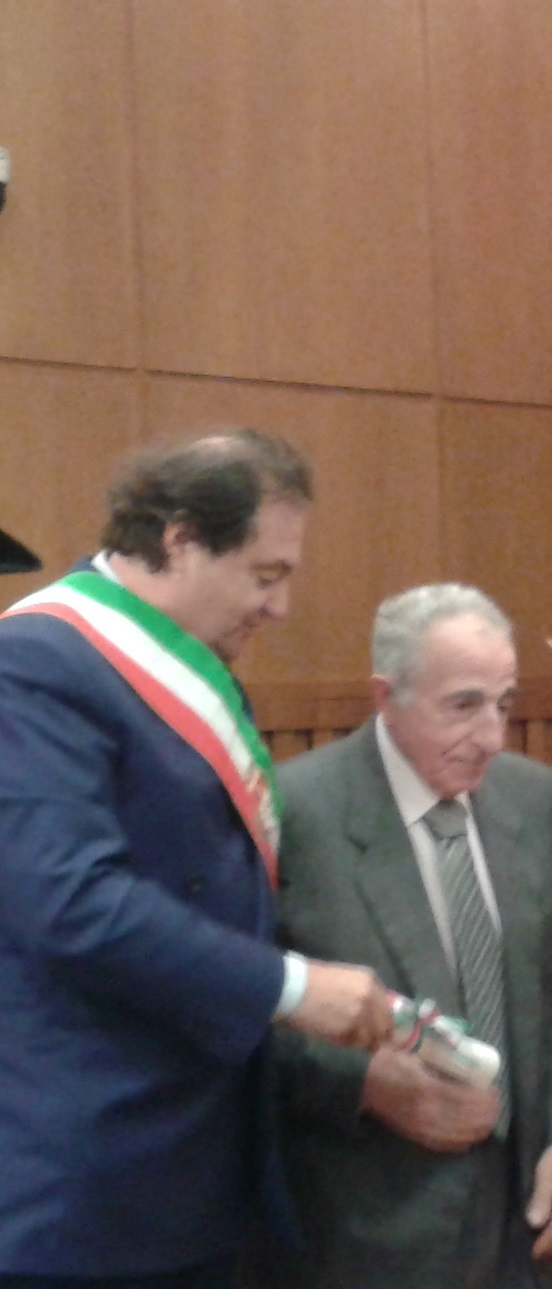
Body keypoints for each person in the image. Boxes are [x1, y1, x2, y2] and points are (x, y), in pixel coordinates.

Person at [0, 429, 393, 1288]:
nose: (280, 606)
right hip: (94, 1179)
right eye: (265, 573)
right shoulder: (32, 663)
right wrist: (293, 988)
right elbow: (72, 902)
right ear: (180, 538)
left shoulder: (196, 668)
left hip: (198, 1155)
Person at [250, 583, 552, 1289]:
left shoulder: (529, 796)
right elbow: (241, 1011)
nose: (492, 736)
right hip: (363, 1226)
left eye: (504, 704)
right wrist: (365, 1086)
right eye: (463, 705)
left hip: (520, 1220)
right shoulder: (292, 811)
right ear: (386, 696)